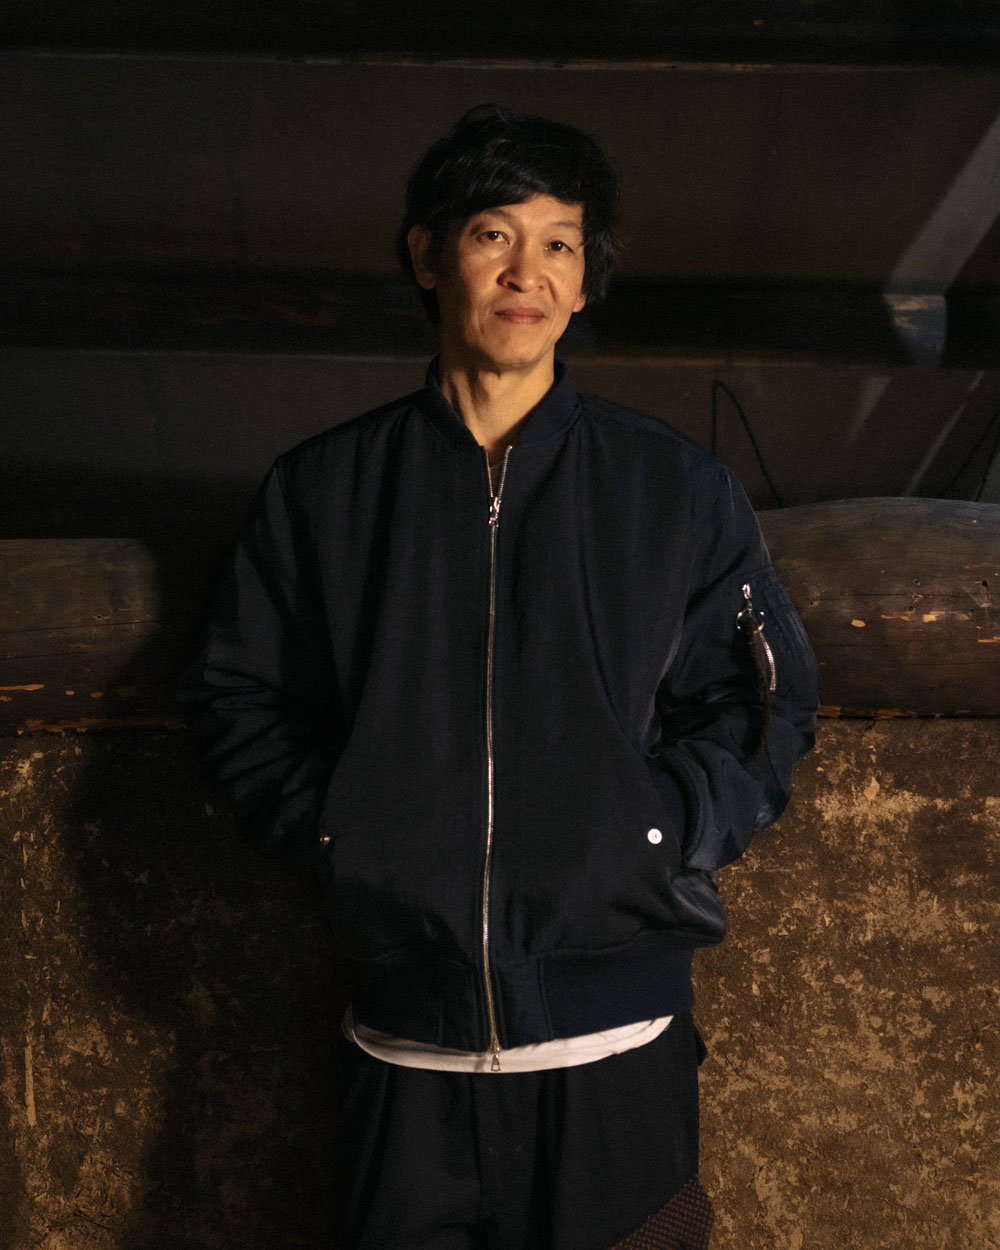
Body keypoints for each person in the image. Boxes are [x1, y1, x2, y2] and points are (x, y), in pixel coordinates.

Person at [179, 104, 819, 1250]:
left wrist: (654, 831)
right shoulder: (322, 490)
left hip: (616, 1051)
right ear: (429, 256)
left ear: (583, 283)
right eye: (493, 235)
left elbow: (760, 702)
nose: (527, 272)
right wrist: (340, 831)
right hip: (404, 1051)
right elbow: (238, 694)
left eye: (559, 243)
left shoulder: (673, 488)